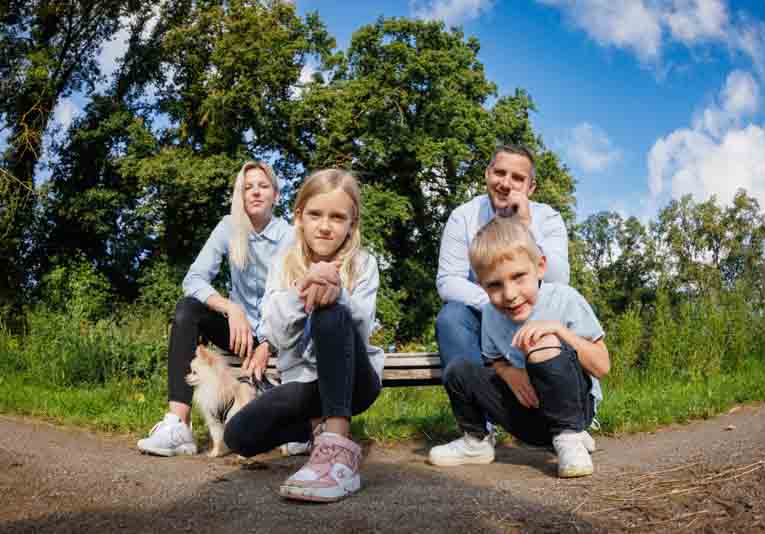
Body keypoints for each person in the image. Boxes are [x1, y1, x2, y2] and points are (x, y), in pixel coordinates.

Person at [224, 169, 383, 503]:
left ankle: (338, 449)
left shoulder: (364, 263)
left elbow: (362, 326)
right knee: (238, 435)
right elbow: (274, 331)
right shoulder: (283, 263)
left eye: (338, 217)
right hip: (304, 384)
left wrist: (334, 289)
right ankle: (315, 429)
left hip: (357, 383)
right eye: (315, 214)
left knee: (332, 310)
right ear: (299, 217)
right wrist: (302, 289)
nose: (325, 226)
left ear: (351, 224)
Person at [428, 217, 609, 478]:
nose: (510, 294)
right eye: (495, 285)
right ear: (482, 286)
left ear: (540, 267)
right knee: (458, 369)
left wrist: (559, 331)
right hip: (528, 416)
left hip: (575, 409)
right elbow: (493, 360)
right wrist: (510, 373)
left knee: (542, 343)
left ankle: (570, 437)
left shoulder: (565, 298)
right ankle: (476, 441)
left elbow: (602, 366)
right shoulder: (491, 313)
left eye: (518, 277)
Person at [137, 161, 292, 457]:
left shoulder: (290, 236)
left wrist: (269, 344)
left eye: (263, 186)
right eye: (248, 187)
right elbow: (193, 279)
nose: (255, 192)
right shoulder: (228, 227)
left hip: (279, 337)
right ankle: (178, 427)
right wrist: (231, 308)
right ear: (240, 195)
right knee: (187, 310)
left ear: (276, 194)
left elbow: (296, 302)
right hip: (239, 335)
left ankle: (303, 428)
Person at [435, 144, 569, 374]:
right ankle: (478, 403)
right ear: (487, 174)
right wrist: (496, 304)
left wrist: (527, 225)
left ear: (531, 187)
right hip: (480, 314)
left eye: (517, 178)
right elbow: (448, 281)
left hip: (534, 314)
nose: (505, 184)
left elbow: (559, 279)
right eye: (499, 173)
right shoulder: (463, 217)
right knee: (451, 317)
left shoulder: (548, 219)